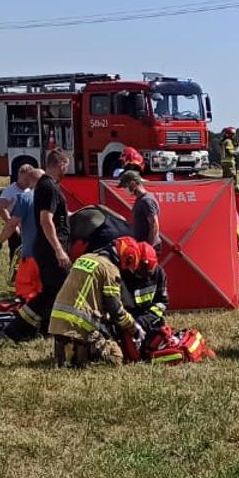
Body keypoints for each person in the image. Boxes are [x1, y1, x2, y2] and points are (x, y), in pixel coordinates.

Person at [49, 236, 145, 367]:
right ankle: (82, 357)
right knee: (116, 358)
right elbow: (115, 310)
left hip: (57, 324)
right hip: (78, 325)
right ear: (128, 257)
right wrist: (133, 327)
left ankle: (69, 354)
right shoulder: (110, 269)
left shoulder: (85, 257)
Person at [15, 150, 72, 338]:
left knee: (50, 292)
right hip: (50, 249)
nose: (67, 170)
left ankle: (26, 329)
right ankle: (36, 328)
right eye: (67, 166)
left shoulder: (46, 186)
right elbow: (46, 220)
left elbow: (55, 216)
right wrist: (59, 250)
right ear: (61, 164)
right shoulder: (49, 187)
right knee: (65, 288)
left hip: (46, 248)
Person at [0, 165, 42, 301]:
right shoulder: (55, 196)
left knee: (26, 290)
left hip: (30, 251)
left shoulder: (25, 198)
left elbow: (12, 224)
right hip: (48, 252)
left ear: (31, 180)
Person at [120, 171, 161, 250]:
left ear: (133, 184)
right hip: (141, 245)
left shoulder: (147, 200)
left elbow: (154, 225)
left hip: (147, 248)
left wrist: (148, 248)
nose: (125, 189)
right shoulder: (140, 199)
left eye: (125, 186)